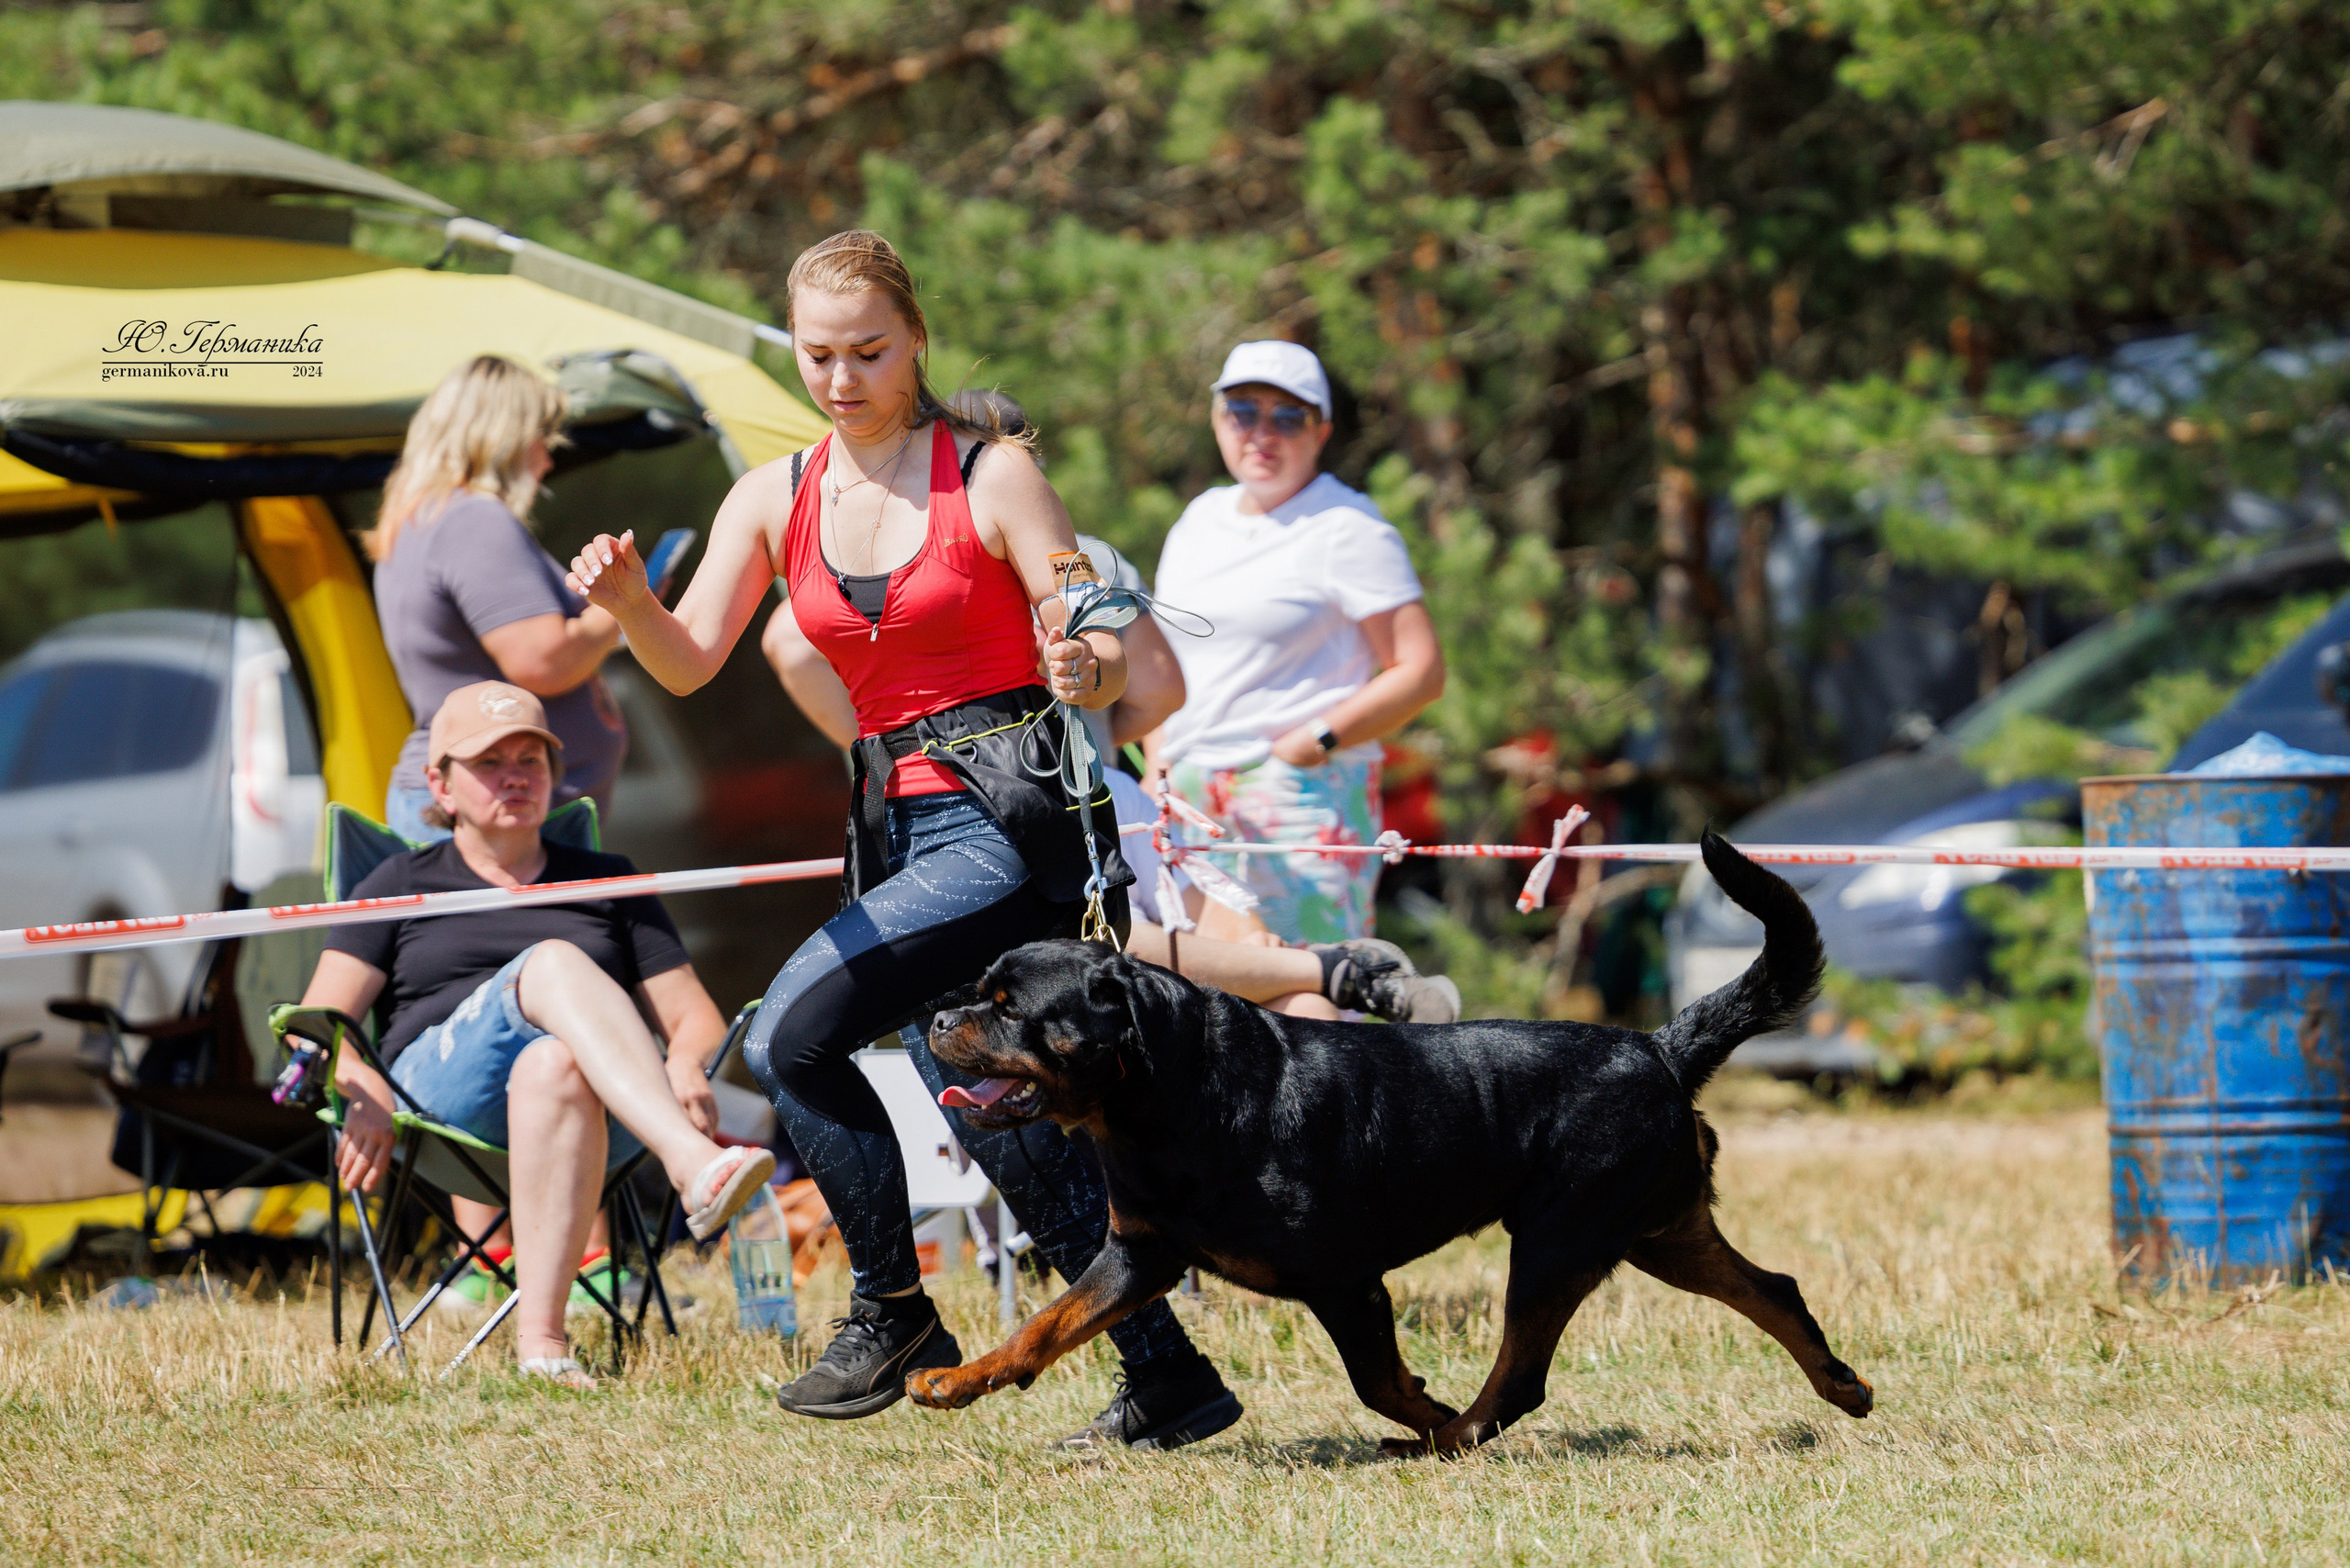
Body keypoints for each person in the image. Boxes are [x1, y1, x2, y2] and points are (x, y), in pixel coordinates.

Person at [565, 230, 1240, 1451]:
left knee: (785, 1041)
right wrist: (626, 609)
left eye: (867, 351)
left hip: (1006, 818)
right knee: (984, 1099)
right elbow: (690, 657)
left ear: (915, 339)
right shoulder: (774, 496)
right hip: (896, 831)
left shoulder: (993, 475)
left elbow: (1081, 618)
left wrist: (1080, 657)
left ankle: (890, 1309)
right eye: (817, 356)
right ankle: (1168, 1375)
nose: (840, 377)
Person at [297, 682, 774, 1389]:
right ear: (441, 784)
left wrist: (684, 1060)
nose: (516, 776)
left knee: (554, 1061)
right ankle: (689, 1159)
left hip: (596, 1111)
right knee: (551, 963)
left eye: (531, 758)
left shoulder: (608, 881)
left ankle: (543, 1346)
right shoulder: (397, 881)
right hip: (439, 1103)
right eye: (490, 762)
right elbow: (319, 1023)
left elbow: (696, 1018)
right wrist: (357, 1080)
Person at [1151, 341, 1446, 946]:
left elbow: (1420, 670)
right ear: (1216, 420)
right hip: (1187, 798)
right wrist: (1160, 757)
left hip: (1298, 798)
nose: (1263, 432)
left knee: (1314, 1009)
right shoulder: (1199, 519)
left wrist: (1307, 746)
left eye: (1288, 417)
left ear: (1321, 431)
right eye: (1243, 412)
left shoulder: (1349, 527)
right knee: (1212, 1010)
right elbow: (1163, 654)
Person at [369, 355, 629, 845]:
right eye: (541, 438)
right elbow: (542, 661)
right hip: (492, 821)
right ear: (503, 437)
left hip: (485, 811)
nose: (548, 459)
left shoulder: (421, 519)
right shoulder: (474, 520)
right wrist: (622, 608)